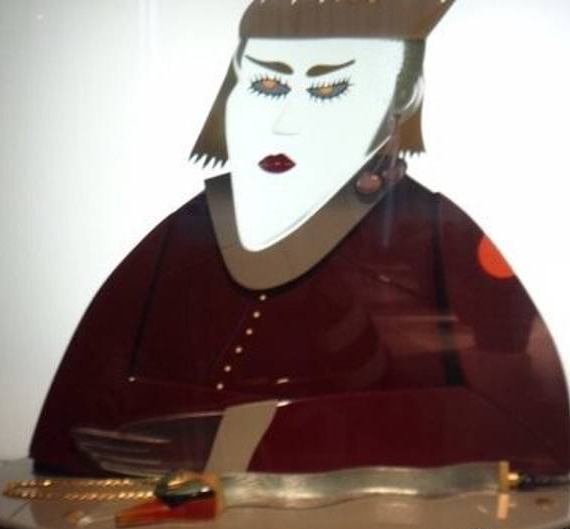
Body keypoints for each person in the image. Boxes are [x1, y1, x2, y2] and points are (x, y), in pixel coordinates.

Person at [30, 0, 569, 477]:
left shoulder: (432, 234)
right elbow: (80, 424)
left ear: (402, 97)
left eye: (328, 89)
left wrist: (244, 439)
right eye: (266, 86)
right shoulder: (188, 232)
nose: (284, 122)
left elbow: (528, 433)